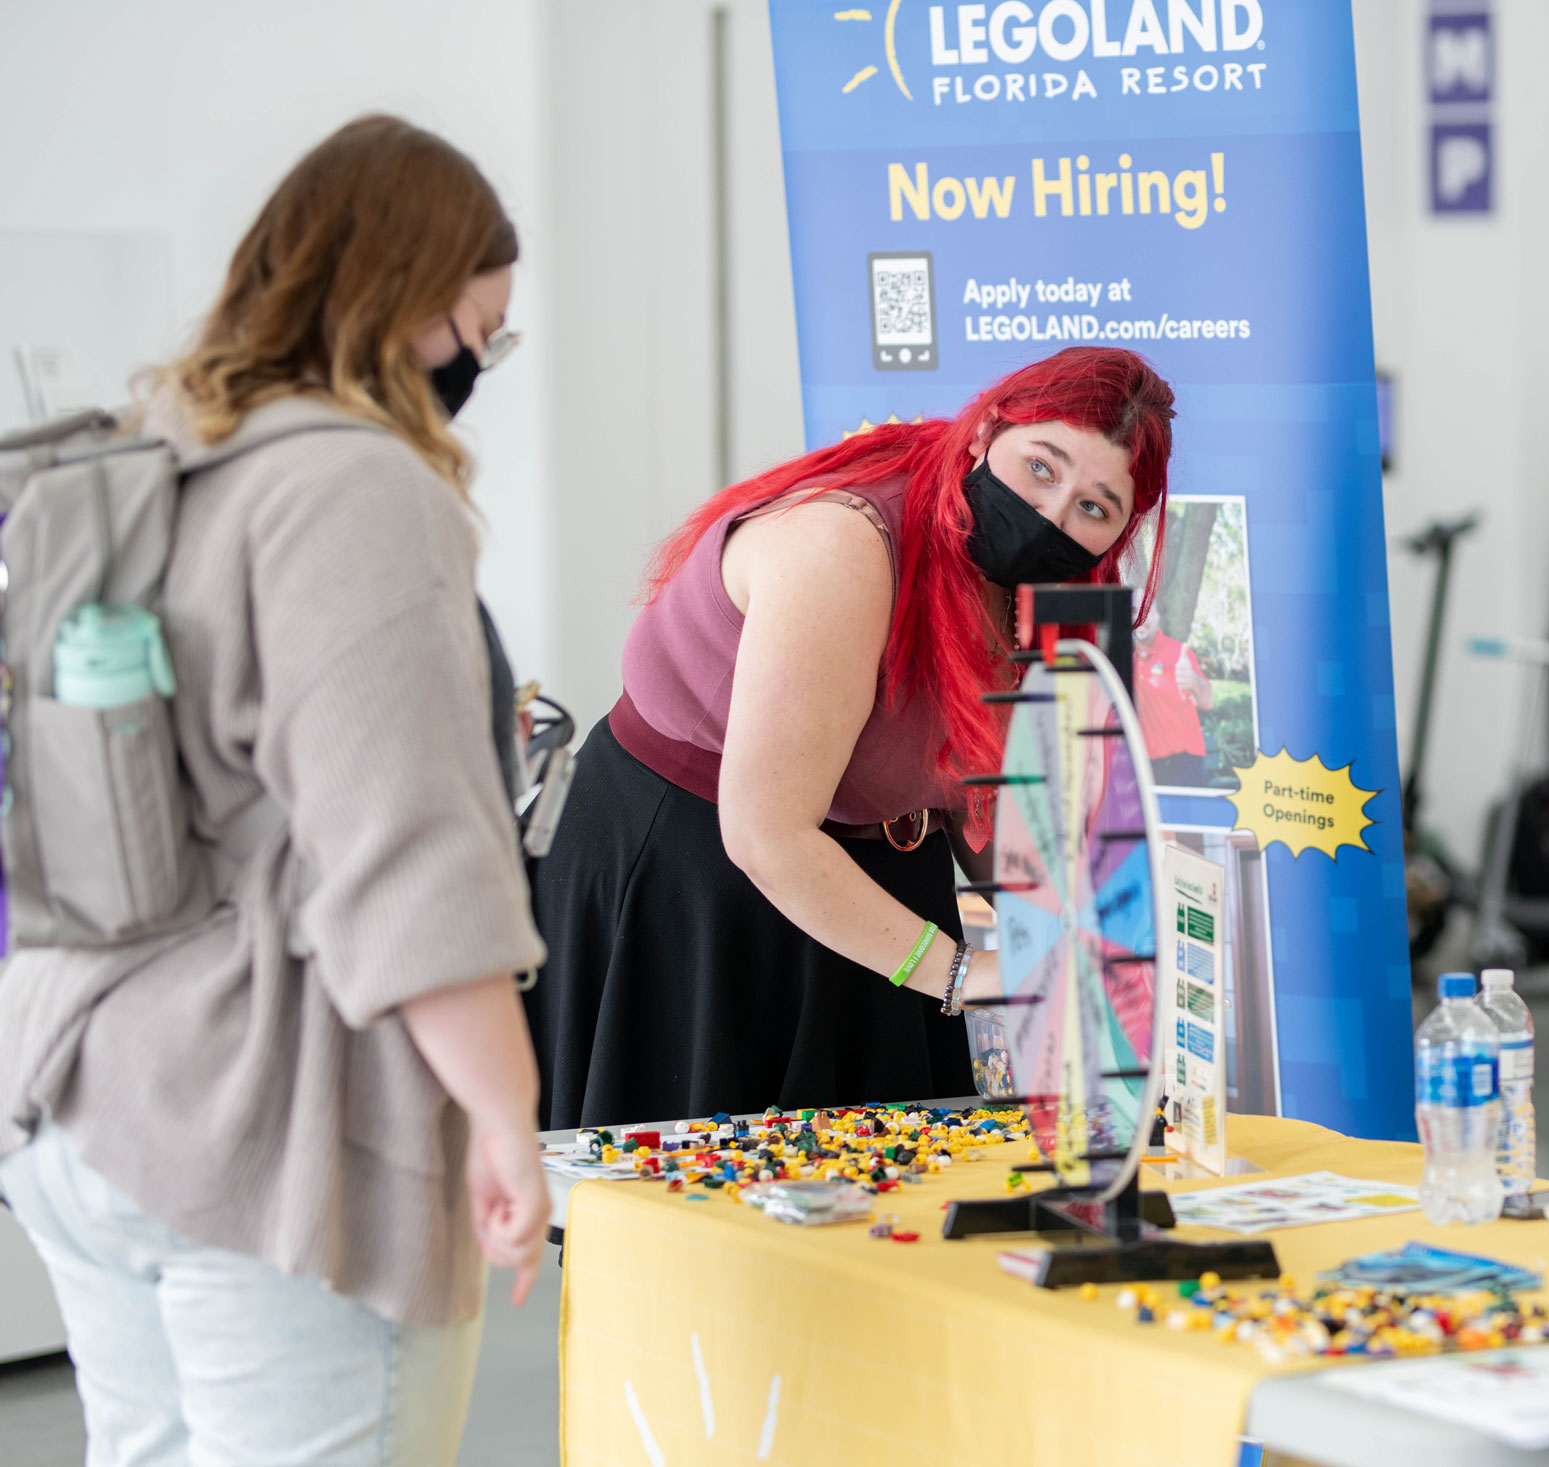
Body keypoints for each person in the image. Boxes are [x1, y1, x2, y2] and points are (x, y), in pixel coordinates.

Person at [0, 117, 548, 1464]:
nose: (479, 364)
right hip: (266, 1114)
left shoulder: (152, 451)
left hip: (84, 1083)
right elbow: (407, 856)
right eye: (484, 327)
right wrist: (505, 1115)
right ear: (412, 300)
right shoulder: (352, 486)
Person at [526, 347, 1174, 1129]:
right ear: (986, 432)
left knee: (890, 1189)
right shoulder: (844, 543)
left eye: (1094, 508)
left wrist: (1087, 944)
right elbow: (766, 834)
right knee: (708, 1190)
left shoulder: (1053, 596)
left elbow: (982, 799)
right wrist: (968, 971)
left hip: (880, 864)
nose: (1055, 515)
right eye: (1043, 467)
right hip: (697, 871)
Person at [1133, 609, 1215, 786]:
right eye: (1133, 612)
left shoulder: (1178, 652)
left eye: (1145, 611)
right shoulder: (1131, 662)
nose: (1139, 618)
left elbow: (1208, 702)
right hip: (1148, 768)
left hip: (1183, 766)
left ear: (1156, 616)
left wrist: (1193, 680)